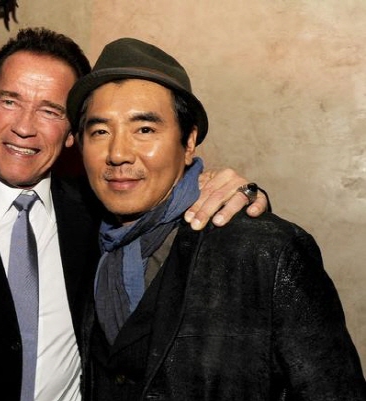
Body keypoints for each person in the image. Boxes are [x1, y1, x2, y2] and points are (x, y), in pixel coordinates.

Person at [0, 28, 269, 401]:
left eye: (50, 110)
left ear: (71, 134)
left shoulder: (100, 210)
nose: (24, 127)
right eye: (10, 101)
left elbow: (172, 197)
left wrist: (242, 192)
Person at [67, 37, 366, 400]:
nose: (118, 153)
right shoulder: (82, 241)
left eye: (144, 129)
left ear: (189, 142)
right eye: (100, 131)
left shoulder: (268, 252)